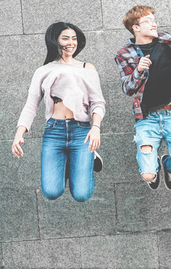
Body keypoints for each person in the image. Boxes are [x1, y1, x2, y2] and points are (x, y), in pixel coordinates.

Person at [12, 22, 105, 202]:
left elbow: (98, 103)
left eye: (74, 38)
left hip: (82, 131)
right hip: (54, 131)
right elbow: (31, 104)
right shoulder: (43, 71)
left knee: (82, 195)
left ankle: (89, 156)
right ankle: (74, 161)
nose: (71, 42)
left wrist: (96, 127)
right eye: (65, 38)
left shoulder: (87, 68)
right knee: (52, 192)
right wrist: (19, 133)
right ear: (55, 40)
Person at [115, 5, 171, 190]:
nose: (154, 24)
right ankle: (153, 169)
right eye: (148, 21)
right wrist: (139, 70)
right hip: (147, 117)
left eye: (154, 20)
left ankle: (166, 164)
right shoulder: (124, 54)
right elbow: (128, 88)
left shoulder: (165, 40)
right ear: (135, 27)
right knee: (148, 175)